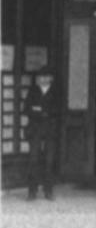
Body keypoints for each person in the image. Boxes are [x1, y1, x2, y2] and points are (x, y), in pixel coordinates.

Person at [23, 67, 61, 201]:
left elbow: (57, 110)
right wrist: (42, 112)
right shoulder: (33, 91)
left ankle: (48, 190)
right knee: (33, 160)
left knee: (49, 161)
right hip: (35, 130)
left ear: (51, 78)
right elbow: (26, 108)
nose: (42, 79)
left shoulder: (56, 92)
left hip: (50, 131)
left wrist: (40, 110)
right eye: (40, 77)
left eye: (45, 76)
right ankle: (32, 191)